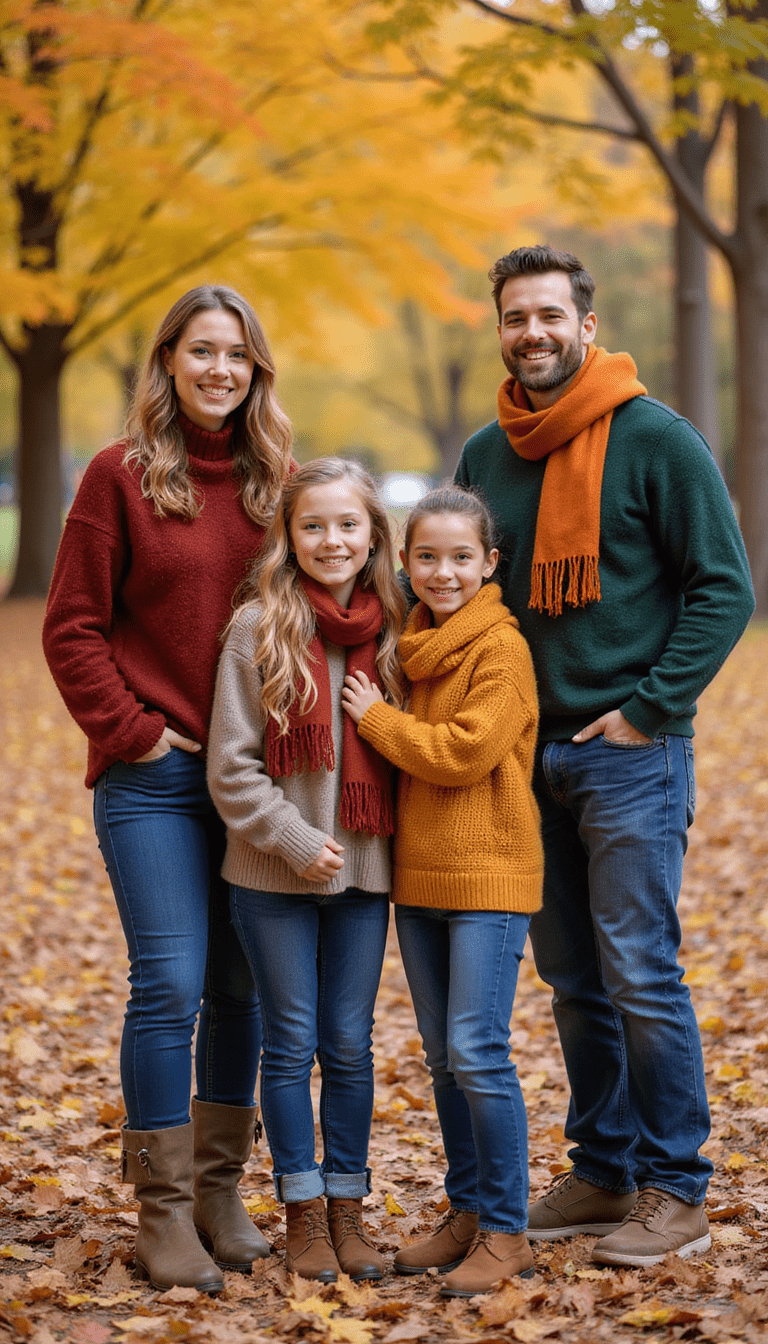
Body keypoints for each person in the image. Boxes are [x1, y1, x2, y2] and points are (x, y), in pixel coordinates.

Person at [453, 244, 755, 1268]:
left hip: (629, 756)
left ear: (587, 324)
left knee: (639, 970)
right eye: (513, 318)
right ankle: (605, 1168)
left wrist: (647, 710)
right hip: (524, 764)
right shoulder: (485, 456)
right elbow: (464, 596)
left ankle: (678, 1187)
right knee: (574, 973)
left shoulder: (656, 440)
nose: (530, 333)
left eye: (548, 315)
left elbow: (724, 588)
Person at [42, 285, 294, 1294]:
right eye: (202, 352)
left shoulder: (279, 482)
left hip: (255, 786)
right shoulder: (119, 478)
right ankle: (159, 1215)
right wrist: (135, 734)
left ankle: (218, 1196)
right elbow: (72, 627)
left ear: (256, 369)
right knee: (172, 985)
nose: (220, 370)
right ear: (169, 361)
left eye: (237, 354)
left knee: (243, 994)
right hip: (151, 784)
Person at [342, 484, 544, 1297]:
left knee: (478, 1051)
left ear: (489, 562)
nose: (444, 571)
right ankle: (466, 1213)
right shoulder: (409, 645)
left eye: (462, 556)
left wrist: (377, 723)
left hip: (490, 871)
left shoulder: (502, 650)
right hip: (417, 874)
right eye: (427, 556)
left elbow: (464, 752)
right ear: (405, 562)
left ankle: (506, 1229)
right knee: (443, 1060)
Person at [206, 457, 404, 1283]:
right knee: (288, 1046)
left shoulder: (398, 629)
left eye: (348, 525)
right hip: (271, 877)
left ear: (373, 536)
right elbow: (231, 764)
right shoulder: (259, 627)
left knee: (349, 1047)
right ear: (288, 537)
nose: (332, 540)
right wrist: (291, 838)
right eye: (313, 525)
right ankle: (302, 1213)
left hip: (365, 875)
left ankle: (349, 1211)